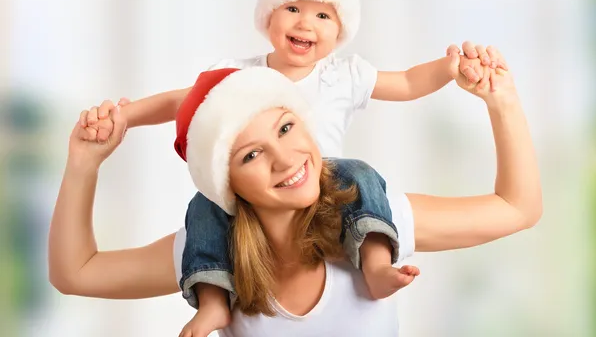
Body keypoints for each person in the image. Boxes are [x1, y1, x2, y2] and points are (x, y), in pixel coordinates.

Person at [78, 0, 501, 332]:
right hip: (260, 200)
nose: (305, 23)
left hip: (327, 185)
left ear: (340, 32)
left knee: (362, 177)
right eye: (293, 7)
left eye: (323, 15)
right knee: (205, 207)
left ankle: (375, 262)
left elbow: (408, 82)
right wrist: (124, 116)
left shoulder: (344, 74)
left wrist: (450, 69)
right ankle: (210, 300)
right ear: (268, 16)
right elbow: (179, 101)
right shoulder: (238, 75)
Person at [49, 48, 541, 336]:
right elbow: (77, 273)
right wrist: (83, 166)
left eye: (286, 128)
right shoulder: (211, 251)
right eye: (251, 155)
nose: (286, 159)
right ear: (226, 183)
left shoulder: (370, 214)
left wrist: (503, 102)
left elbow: (516, 208)